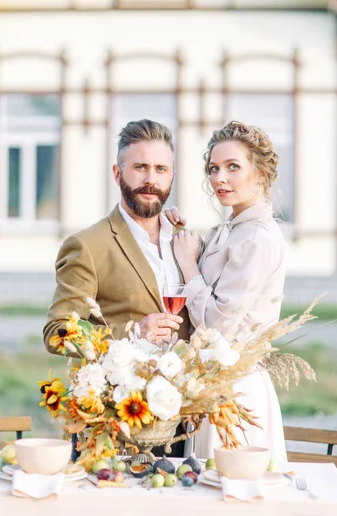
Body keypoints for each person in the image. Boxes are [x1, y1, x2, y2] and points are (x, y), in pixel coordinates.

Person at [166, 120, 287, 461]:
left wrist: (189, 264)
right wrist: (180, 233)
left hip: (237, 389)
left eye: (233, 167)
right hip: (213, 384)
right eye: (214, 169)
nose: (219, 178)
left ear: (260, 174)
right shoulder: (231, 229)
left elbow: (219, 323)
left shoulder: (257, 237)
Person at [44, 119, 190, 350]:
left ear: (171, 175)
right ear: (117, 173)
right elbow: (58, 334)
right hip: (126, 385)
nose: (151, 180)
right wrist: (134, 333)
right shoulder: (88, 247)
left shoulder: (187, 240)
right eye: (140, 167)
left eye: (160, 169)